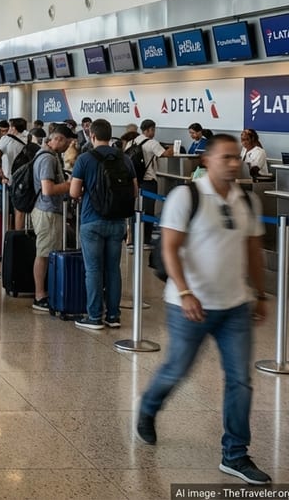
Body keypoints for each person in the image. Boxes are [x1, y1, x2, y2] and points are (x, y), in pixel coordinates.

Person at [137, 134, 271, 486]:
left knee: (240, 380)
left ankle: (236, 454)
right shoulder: (187, 196)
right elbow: (170, 247)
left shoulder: (246, 200)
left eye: (234, 158)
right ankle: (149, 406)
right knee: (177, 369)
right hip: (189, 305)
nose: (232, 163)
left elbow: (253, 250)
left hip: (235, 306)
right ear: (206, 161)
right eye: (225, 157)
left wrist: (260, 294)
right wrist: (184, 291)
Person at [69, 119, 136, 330]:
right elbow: (134, 191)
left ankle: (94, 316)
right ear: (111, 135)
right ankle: (114, 316)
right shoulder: (125, 159)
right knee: (113, 270)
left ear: (92, 136)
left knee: (94, 270)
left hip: (92, 220)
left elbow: (73, 192)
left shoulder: (84, 159)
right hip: (117, 222)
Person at [30, 124, 73, 313]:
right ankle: (39, 295)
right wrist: (70, 185)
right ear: (58, 139)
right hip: (47, 211)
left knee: (47, 252)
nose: (68, 146)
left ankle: (44, 292)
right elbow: (48, 189)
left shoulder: (50, 155)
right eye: (67, 142)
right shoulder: (47, 158)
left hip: (48, 211)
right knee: (44, 254)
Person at [135, 119, 174, 241]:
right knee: (149, 210)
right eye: (153, 129)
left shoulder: (133, 141)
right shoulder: (152, 143)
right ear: (149, 130)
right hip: (149, 180)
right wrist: (172, 148)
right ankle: (146, 238)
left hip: (135, 180)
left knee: (136, 209)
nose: (154, 132)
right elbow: (166, 154)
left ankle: (135, 236)